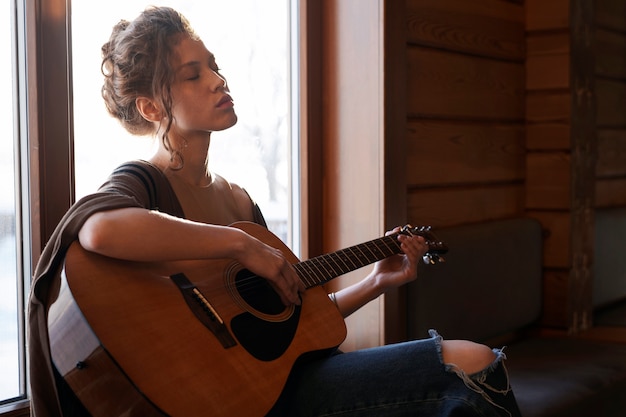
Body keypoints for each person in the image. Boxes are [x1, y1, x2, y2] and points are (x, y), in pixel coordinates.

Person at [27, 6, 522, 417]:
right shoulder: (143, 181)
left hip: (275, 386)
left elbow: (294, 325)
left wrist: (377, 281)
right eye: (193, 74)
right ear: (152, 109)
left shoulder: (239, 201)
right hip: (222, 402)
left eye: (214, 65)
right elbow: (99, 230)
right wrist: (241, 245)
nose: (218, 80)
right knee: (469, 365)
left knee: (471, 366)